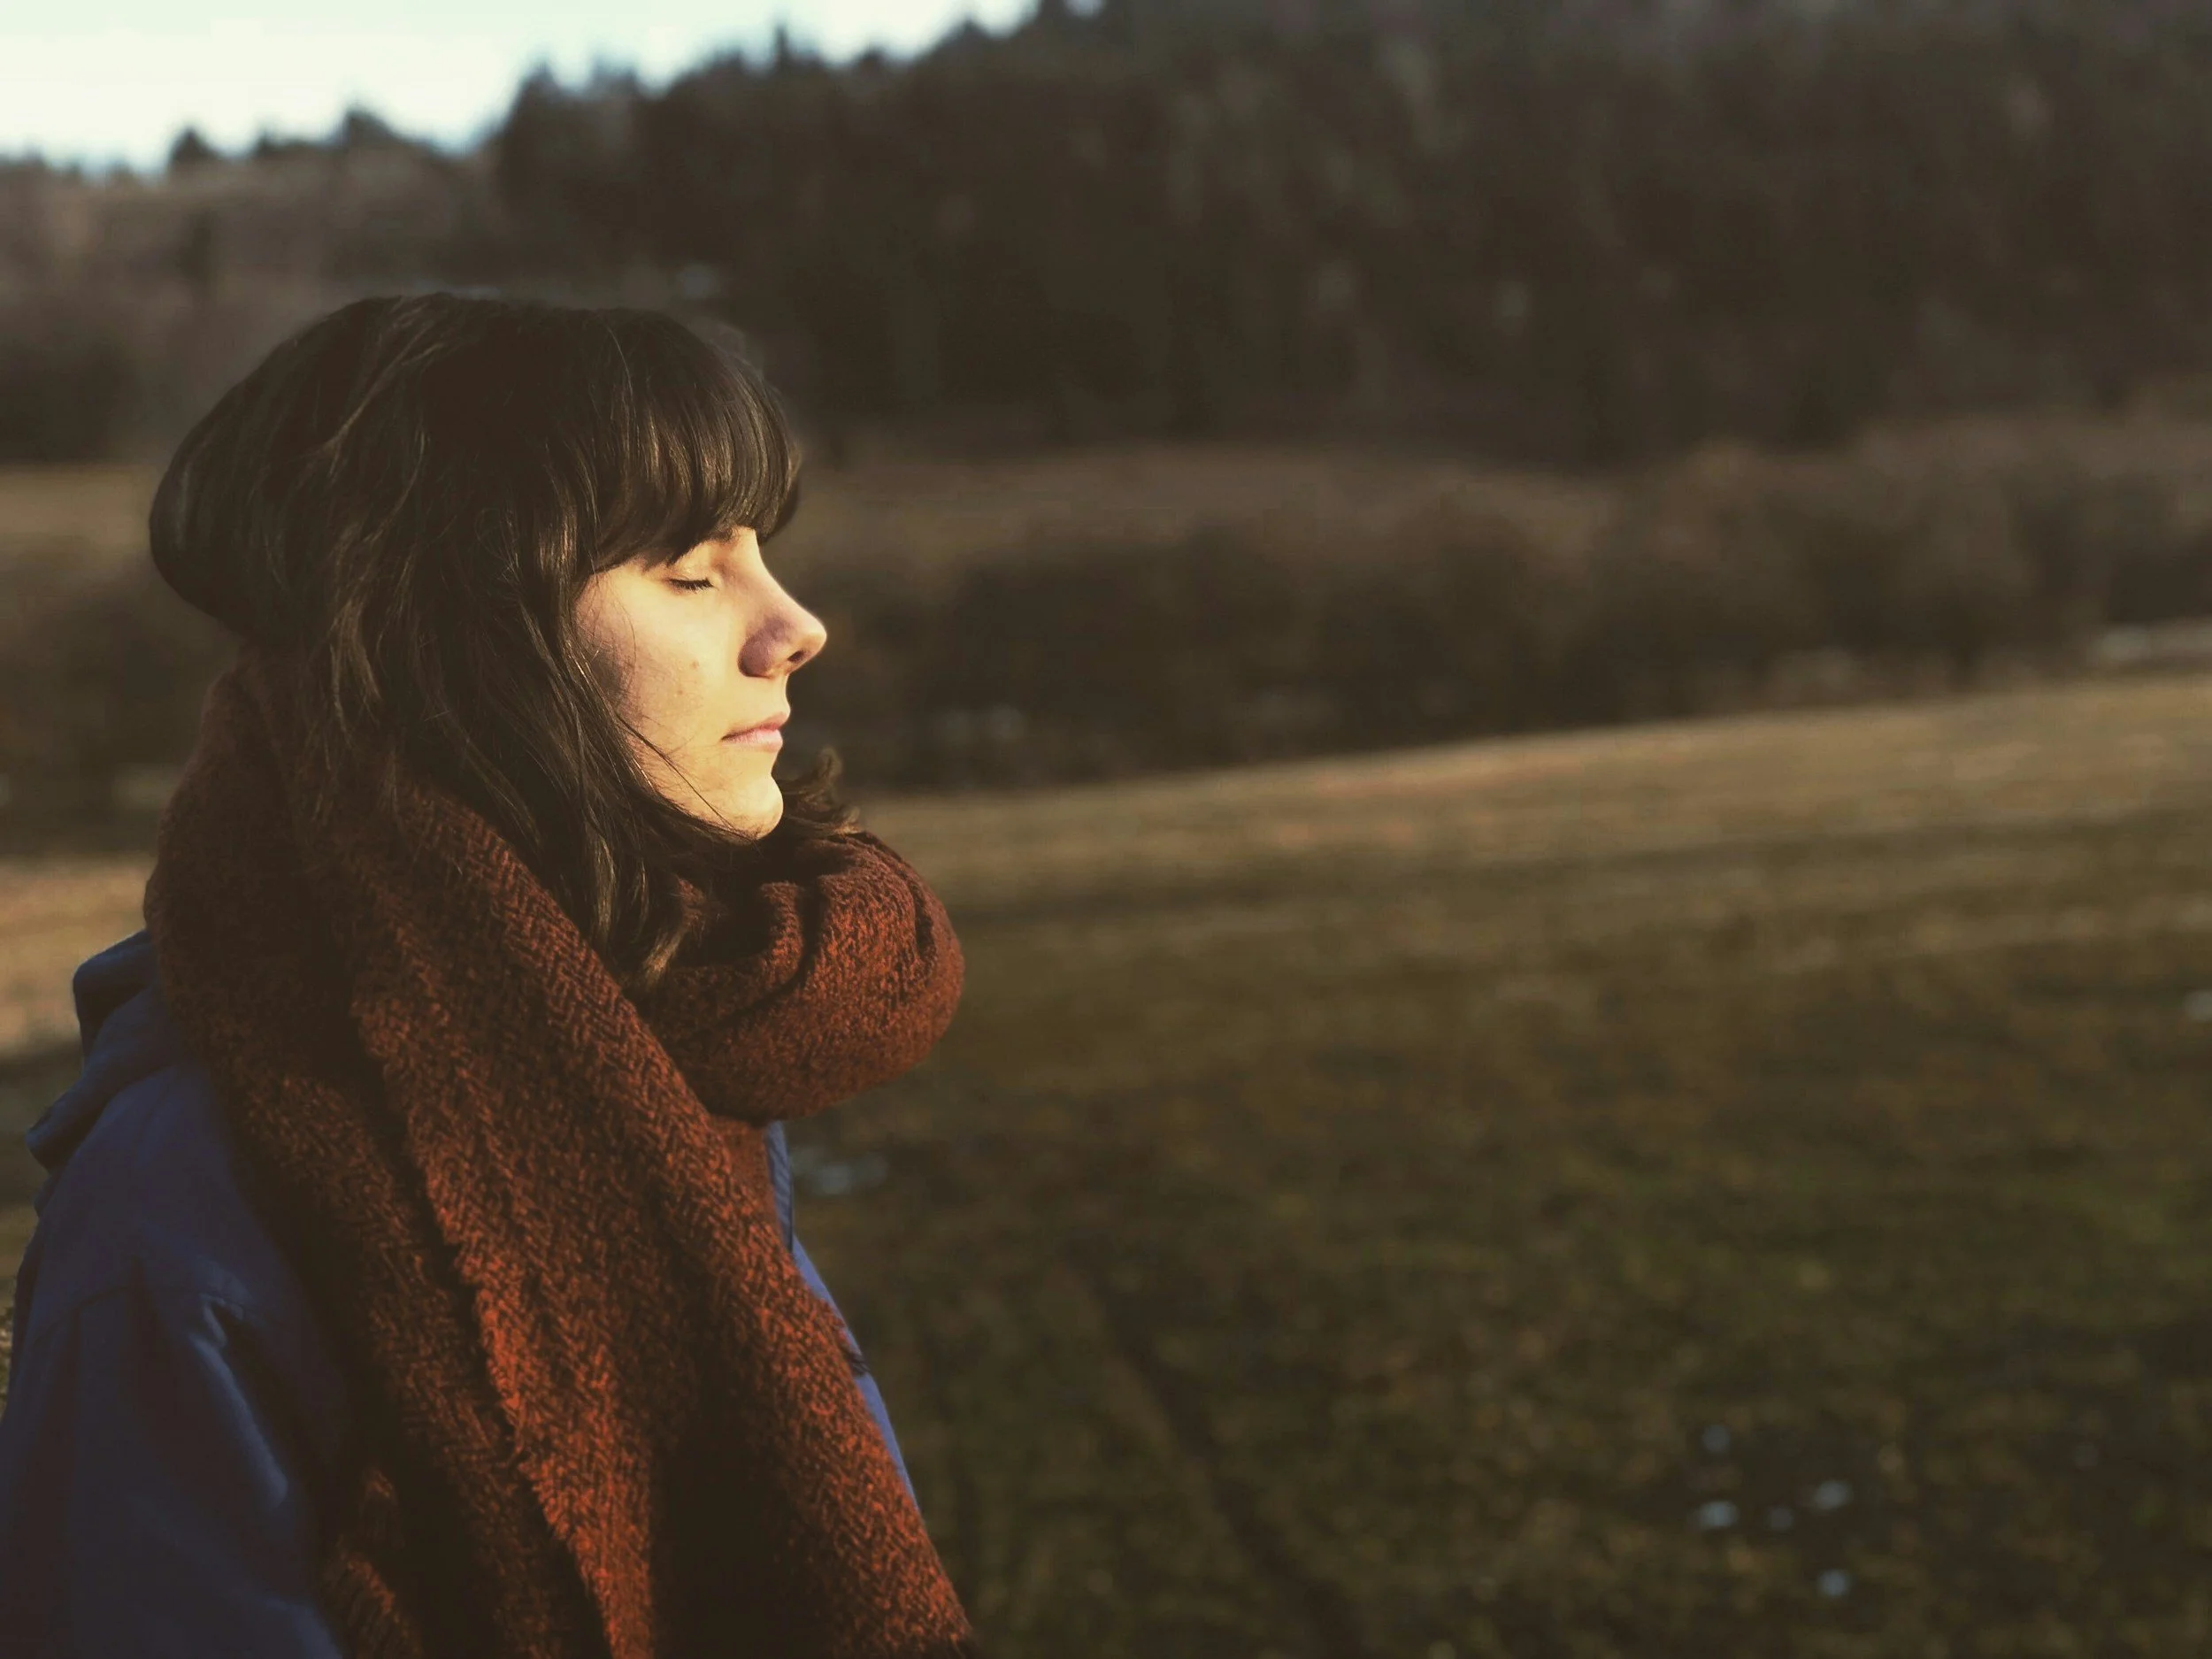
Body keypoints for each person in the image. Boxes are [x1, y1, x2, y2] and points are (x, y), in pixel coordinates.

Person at [0, 294, 980, 1658]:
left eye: (762, 553)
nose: (796, 623)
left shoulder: (638, 1051)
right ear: (459, 643)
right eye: (688, 571)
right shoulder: (189, 1218)